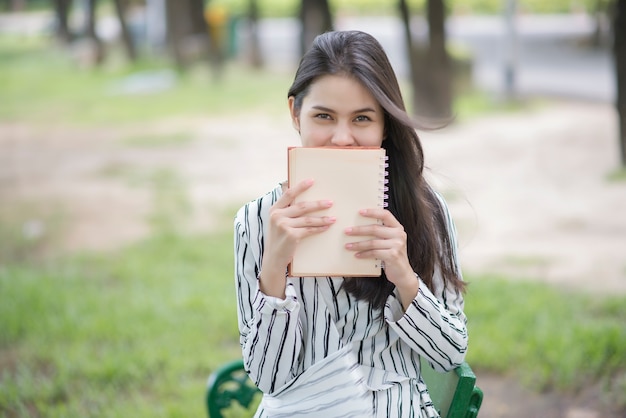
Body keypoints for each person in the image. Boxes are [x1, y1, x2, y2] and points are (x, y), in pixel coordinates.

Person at [234, 30, 468, 417]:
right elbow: (269, 378)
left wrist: (404, 277)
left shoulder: (426, 212)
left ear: (385, 126)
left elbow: (451, 353)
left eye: (362, 118)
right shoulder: (257, 221)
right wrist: (274, 268)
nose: (342, 139)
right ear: (295, 113)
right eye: (324, 116)